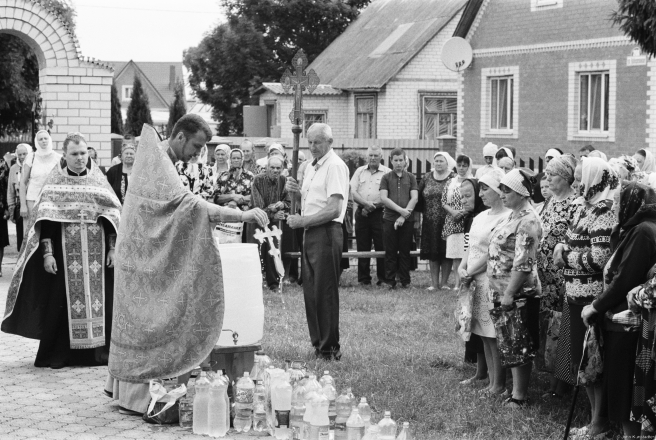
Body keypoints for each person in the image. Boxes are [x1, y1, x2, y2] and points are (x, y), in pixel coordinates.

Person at [106, 115, 268, 415]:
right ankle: (141, 397)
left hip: (140, 253)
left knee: (145, 320)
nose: (197, 153)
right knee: (148, 321)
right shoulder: (159, 164)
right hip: (142, 258)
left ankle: (134, 392)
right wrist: (241, 216)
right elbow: (190, 205)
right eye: (196, 146)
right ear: (180, 137)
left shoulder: (159, 159)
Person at [2, 132, 121, 369]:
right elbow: (45, 223)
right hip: (67, 257)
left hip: (97, 258)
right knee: (63, 303)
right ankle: (64, 355)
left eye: (83, 153)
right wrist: (47, 254)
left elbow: (112, 219)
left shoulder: (98, 181)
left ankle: (99, 354)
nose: (80, 158)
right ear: (64, 156)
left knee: (102, 303)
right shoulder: (54, 184)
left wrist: (112, 249)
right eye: (74, 154)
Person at [579, 182, 656, 439]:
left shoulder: (643, 231)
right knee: (618, 382)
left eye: (619, 201)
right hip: (621, 317)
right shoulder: (633, 229)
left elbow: (625, 278)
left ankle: (628, 435)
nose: (615, 206)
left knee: (624, 387)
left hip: (627, 319)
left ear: (633, 203)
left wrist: (596, 306)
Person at [553, 157, 618, 436]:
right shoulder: (583, 208)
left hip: (592, 298)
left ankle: (599, 424)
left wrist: (566, 256)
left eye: (581, 178)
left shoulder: (604, 211)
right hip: (574, 294)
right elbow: (568, 240)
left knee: (594, 364)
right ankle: (594, 422)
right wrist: (563, 249)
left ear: (595, 179)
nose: (577, 183)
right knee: (583, 364)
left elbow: (599, 258)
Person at [286, 123, 349, 361]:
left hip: (326, 232)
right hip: (311, 231)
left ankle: (330, 347)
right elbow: (310, 201)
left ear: (329, 142)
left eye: (317, 142)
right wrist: (295, 192)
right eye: (310, 142)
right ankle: (318, 344)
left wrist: (303, 221)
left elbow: (334, 208)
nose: (313, 147)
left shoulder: (334, 166)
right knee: (310, 291)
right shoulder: (312, 167)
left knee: (325, 291)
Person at [488, 169, 543, 407]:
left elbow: (523, 263)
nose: (502, 194)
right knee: (509, 341)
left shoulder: (528, 220)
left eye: (507, 190)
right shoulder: (511, 216)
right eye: (501, 189)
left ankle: (520, 396)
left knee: (519, 343)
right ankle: (512, 390)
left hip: (518, 294)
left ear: (521, 193)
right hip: (501, 292)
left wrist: (509, 293)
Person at [459, 169, 510, 395]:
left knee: (494, 335)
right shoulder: (480, 217)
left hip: (490, 280)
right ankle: (490, 381)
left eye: (485, 188)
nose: (480, 194)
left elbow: (493, 253)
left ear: (499, 190)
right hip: (474, 281)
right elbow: (470, 247)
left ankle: (498, 384)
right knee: (483, 335)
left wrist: (470, 270)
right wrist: (462, 267)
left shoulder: (506, 217)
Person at [536, 155, 578, 399]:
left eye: (551, 174)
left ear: (565, 177)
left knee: (561, 329)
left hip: (563, 279)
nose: (547, 178)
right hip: (545, 279)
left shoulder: (575, 202)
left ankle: (562, 384)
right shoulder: (550, 201)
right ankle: (551, 378)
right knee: (548, 326)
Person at [350, 146, 390, 286]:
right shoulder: (359, 171)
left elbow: (389, 195)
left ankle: (383, 278)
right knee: (362, 245)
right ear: (367, 157)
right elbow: (353, 192)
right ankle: (364, 279)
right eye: (371, 155)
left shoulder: (387, 173)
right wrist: (365, 204)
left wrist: (373, 206)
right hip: (362, 213)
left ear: (381, 156)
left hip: (381, 213)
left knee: (381, 245)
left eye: (376, 155)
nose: (373, 158)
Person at [379, 148, 418, 289]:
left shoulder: (411, 177)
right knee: (390, 251)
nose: (398, 163)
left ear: (405, 160)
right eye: (395, 160)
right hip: (389, 219)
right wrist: (400, 211)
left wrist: (403, 216)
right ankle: (390, 281)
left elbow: (414, 197)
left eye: (401, 160)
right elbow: (384, 198)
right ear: (391, 161)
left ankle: (405, 281)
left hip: (407, 220)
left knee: (405, 251)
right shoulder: (386, 178)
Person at [249, 156, 290, 290]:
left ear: (282, 169)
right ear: (266, 168)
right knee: (257, 252)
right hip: (257, 222)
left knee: (274, 251)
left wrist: (282, 205)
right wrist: (273, 213)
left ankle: (274, 283)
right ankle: (254, 283)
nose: (275, 170)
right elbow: (257, 206)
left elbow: (289, 201)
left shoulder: (284, 180)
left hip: (275, 224)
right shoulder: (258, 180)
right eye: (272, 167)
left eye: (278, 168)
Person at [419, 151, 453, 290]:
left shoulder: (453, 178)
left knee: (446, 252)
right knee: (433, 252)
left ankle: (444, 283)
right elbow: (419, 197)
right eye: (436, 161)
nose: (438, 163)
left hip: (448, 221)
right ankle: (434, 284)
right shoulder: (426, 177)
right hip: (430, 221)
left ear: (447, 163)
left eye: (441, 161)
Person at [19, 130, 62, 223]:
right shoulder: (31, 157)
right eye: (40, 139)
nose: (43, 141)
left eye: (45, 138)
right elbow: (22, 182)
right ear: (36, 142)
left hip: (52, 201)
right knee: (31, 231)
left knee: (49, 233)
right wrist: (23, 205)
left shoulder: (59, 158)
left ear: (49, 140)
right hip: (32, 201)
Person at [442, 154, 470, 290]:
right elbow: (443, 202)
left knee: (465, 253)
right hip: (452, 221)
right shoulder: (450, 182)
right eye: (459, 165)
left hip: (467, 221)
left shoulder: (473, 182)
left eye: (464, 166)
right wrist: (453, 212)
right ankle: (456, 283)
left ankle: (465, 282)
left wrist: (463, 212)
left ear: (468, 167)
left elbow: (474, 202)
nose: (461, 168)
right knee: (455, 254)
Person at [7, 144, 29, 251]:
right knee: (20, 235)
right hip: (19, 204)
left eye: (24, 154)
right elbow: (10, 190)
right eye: (20, 154)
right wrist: (11, 207)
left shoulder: (32, 166)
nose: (22, 156)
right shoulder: (13, 169)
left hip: (31, 202)